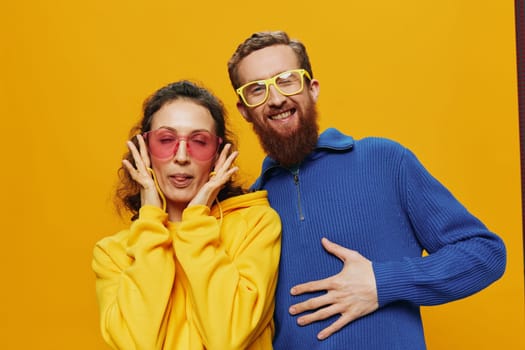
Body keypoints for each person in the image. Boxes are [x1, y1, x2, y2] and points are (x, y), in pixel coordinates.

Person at [227, 31, 507, 349]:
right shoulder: (250, 208)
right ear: (244, 109)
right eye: (257, 90)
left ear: (312, 89)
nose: (276, 98)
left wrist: (382, 282)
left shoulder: (384, 161)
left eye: (287, 80)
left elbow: (486, 254)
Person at [92, 80, 281, 350]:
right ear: (144, 151)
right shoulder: (113, 253)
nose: (181, 156)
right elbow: (137, 344)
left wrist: (195, 223)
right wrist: (150, 222)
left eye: (199, 141)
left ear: (218, 155)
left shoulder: (256, 225)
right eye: (166, 140)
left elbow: (228, 338)